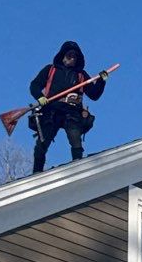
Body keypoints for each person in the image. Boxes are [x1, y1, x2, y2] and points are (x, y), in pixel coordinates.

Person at [29, 42, 108, 173]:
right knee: (42, 141)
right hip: (51, 109)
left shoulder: (81, 75)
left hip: (72, 111)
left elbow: (94, 95)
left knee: (75, 138)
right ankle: (36, 172)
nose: (72, 58)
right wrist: (40, 97)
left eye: (75, 57)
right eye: (70, 55)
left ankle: (77, 166)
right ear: (63, 56)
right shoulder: (50, 70)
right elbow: (34, 85)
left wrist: (101, 81)